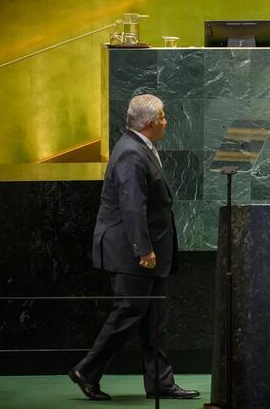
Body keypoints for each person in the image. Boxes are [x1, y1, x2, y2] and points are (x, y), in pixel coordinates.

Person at [69, 94, 199, 401]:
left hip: (146, 252)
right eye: (164, 117)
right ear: (150, 123)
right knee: (128, 313)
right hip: (132, 253)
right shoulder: (131, 153)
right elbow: (131, 207)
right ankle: (87, 370)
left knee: (154, 319)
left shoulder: (140, 147)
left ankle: (161, 383)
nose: (167, 122)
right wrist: (143, 249)